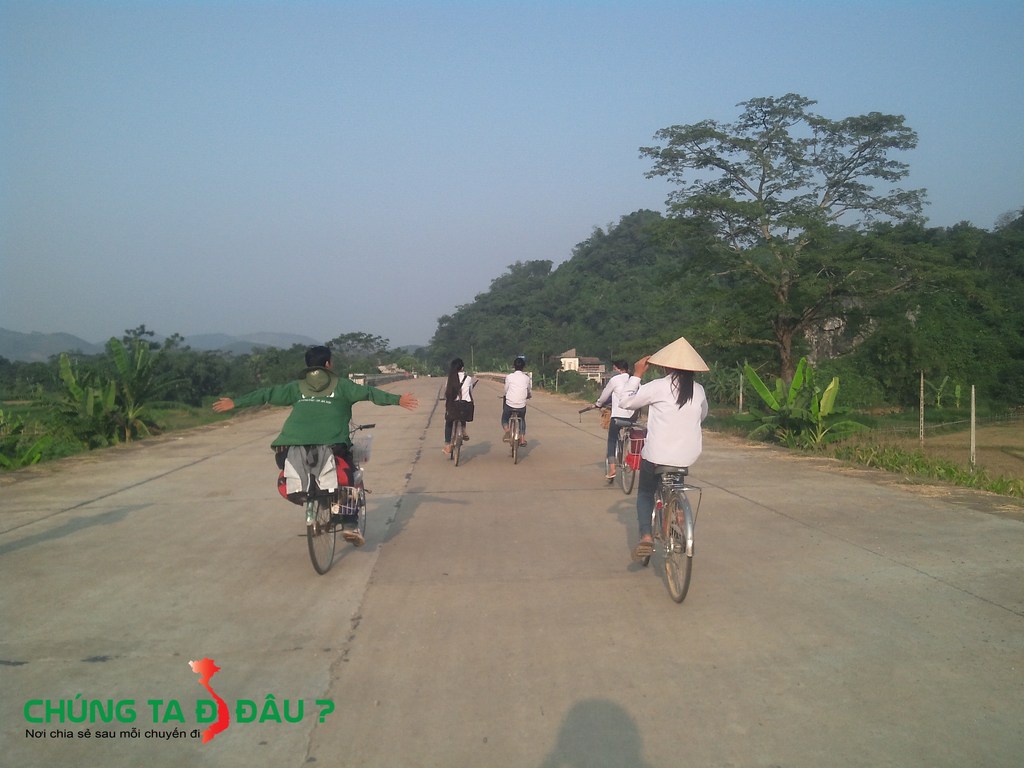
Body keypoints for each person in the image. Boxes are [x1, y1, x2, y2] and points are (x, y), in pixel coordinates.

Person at [212, 345, 419, 545]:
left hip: (288, 449)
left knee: (297, 467)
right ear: (328, 364)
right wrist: (397, 399)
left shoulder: (296, 387)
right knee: (350, 475)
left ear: (308, 365)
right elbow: (370, 393)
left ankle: (314, 499)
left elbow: (266, 394)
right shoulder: (342, 386)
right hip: (333, 446)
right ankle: (349, 524)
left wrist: (235, 402)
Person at [617, 336, 709, 559]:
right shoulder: (698, 390)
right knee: (674, 482)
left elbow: (625, 402)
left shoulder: (658, 386)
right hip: (686, 457)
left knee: (645, 493)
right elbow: (702, 415)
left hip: (657, 456)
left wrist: (637, 374)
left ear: (666, 366)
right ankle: (678, 514)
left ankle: (646, 536)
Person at [594, 359, 636, 479]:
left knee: (612, 439)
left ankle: (612, 469)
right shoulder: (635, 380)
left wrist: (598, 404)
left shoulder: (615, 380)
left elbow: (604, 396)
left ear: (618, 369)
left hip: (618, 417)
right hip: (631, 418)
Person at [443, 357, 476, 455]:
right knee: (462, 413)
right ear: (462, 368)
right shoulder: (468, 378)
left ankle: (448, 445)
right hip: (466, 406)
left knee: (449, 423)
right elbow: (470, 391)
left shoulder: (450, 378)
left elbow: (447, 392)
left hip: (453, 406)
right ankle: (463, 430)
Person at [502, 355, 532, 446]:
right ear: (523, 367)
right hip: (521, 406)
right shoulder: (526, 378)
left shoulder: (509, 377)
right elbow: (528, 390)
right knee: (522, 419)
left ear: (514, 366)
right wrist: (528, 396)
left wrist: (506, 395)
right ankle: (522, 439)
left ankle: (507, 430)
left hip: (510, 404)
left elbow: (506, 390)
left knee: (504, 418)